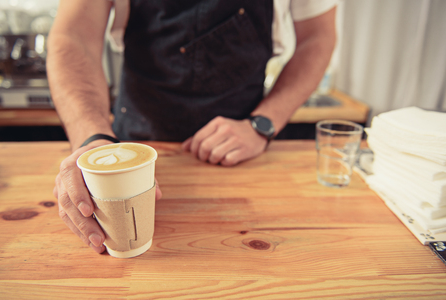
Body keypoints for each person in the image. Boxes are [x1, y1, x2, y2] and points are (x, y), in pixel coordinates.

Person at [47, 0, 337, 254]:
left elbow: (318, 37)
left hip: (242, 151)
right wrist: (93, 141)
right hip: (131, 139)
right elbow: (74, 37)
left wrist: (262, 123)